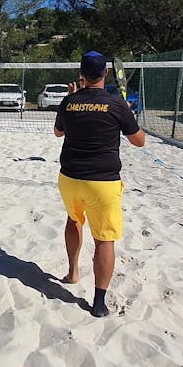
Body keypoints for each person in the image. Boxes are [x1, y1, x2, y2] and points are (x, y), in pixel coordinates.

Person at [54, 51, 146, 317]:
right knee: (104, 240)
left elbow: (58, 132)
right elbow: (139, 141)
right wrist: (128, 116)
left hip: (70, 178)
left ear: (81, 74)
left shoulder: (69, 102)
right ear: (106, 74)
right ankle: (98, 302)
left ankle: (73, 273)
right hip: (102, 182)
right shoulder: (115, 104)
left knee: (74, 221)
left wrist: (71, 102)